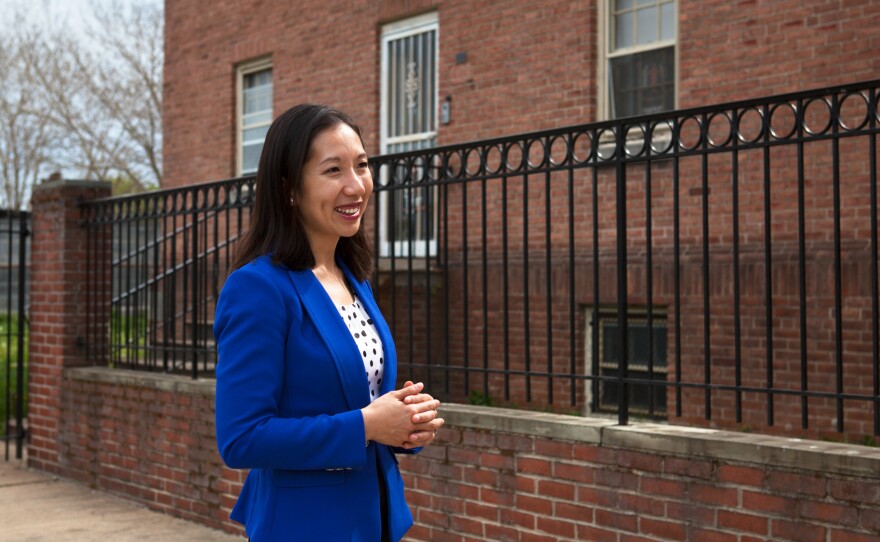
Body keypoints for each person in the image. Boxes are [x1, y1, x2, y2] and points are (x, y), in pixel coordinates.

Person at [213, 103, 444, 542]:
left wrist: (402, 425)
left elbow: (359, 401)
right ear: (289, 189)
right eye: (333, 170)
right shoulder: (258, 288)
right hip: (305, 525)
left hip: (376, 519)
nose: (355, 186)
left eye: (362, 165)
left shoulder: (352, 277)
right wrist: (368, 424)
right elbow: (241, 438)